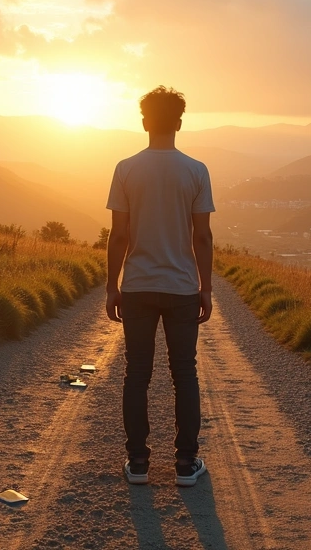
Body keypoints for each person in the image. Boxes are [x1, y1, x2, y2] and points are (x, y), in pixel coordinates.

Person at [105, 86, 214, 488]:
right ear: (180, 123)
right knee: (184, 373)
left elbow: (118, 236)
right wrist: (206, 288)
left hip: (137, 286)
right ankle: (186, 463)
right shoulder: (196, 170)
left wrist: (111, 286)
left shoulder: (126, 168)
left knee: (137, 374)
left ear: (145, 122)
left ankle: (138, 463)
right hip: (183, 287)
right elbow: (202, 238)